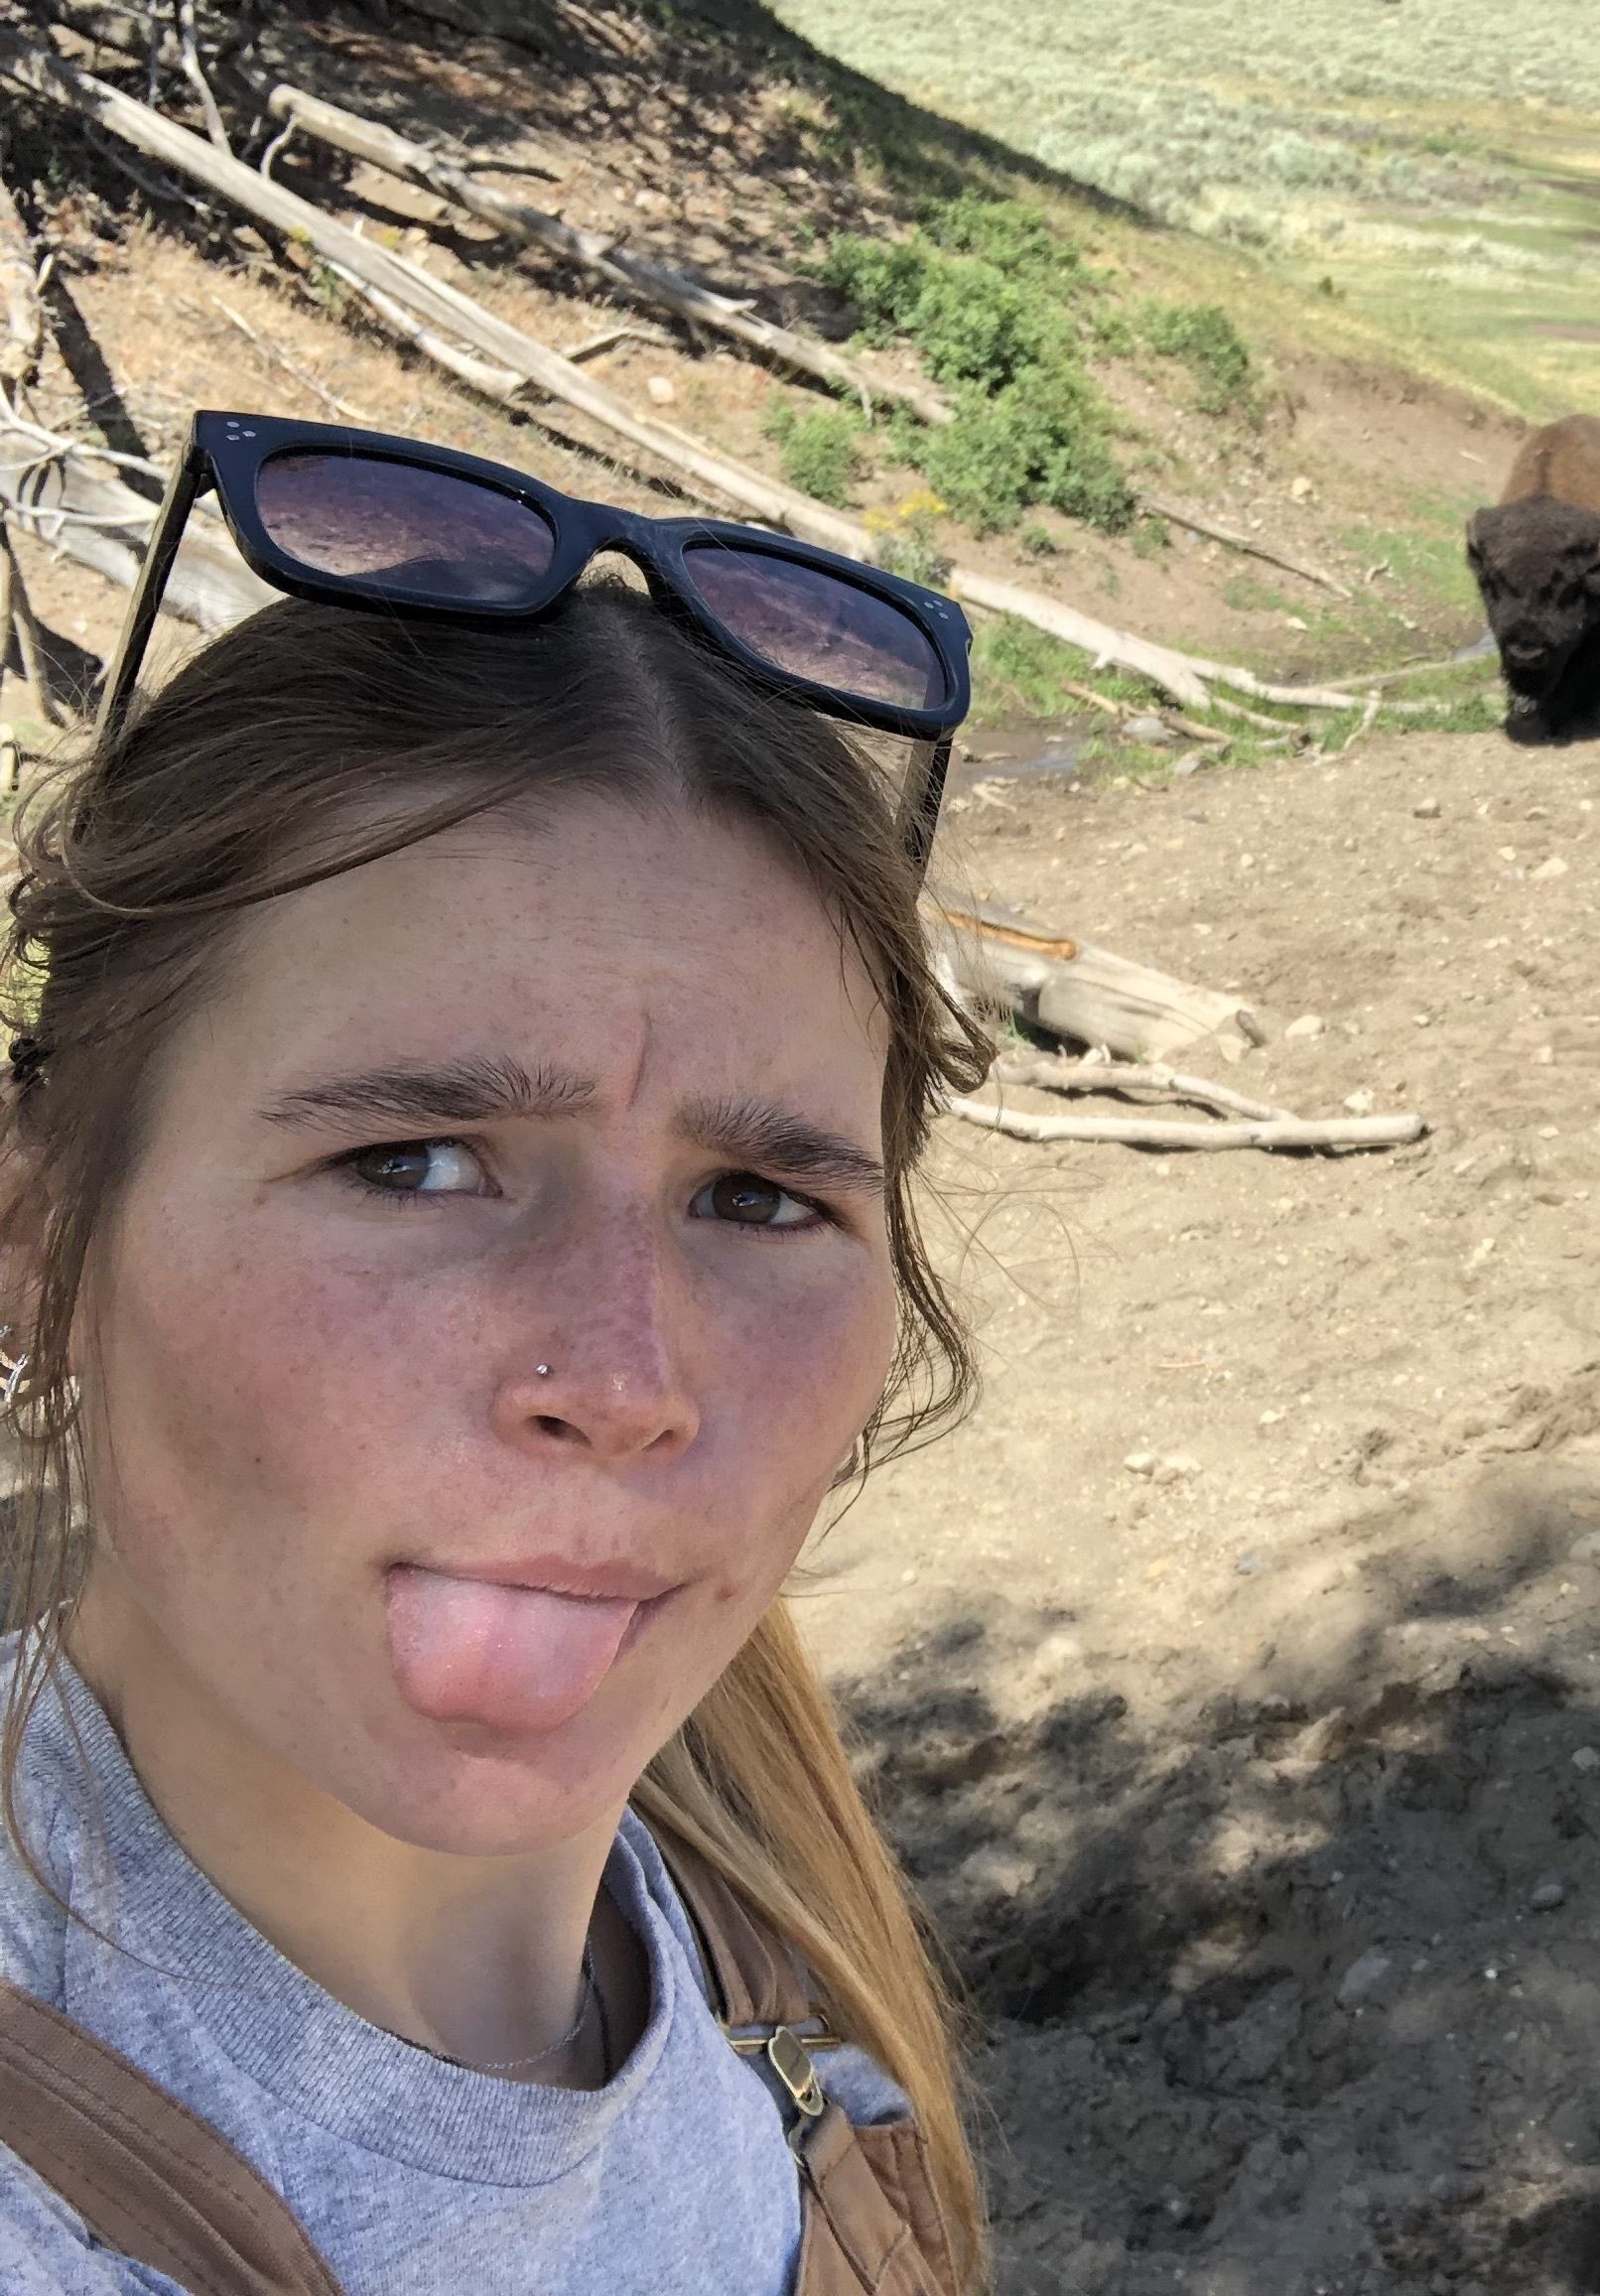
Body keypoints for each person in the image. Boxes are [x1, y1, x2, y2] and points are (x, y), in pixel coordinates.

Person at [0, 413, 987, 2293]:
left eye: (762, 1199)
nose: (623, 1382)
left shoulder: (753, 1875)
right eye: (414, 1164)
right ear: (40, 1217)